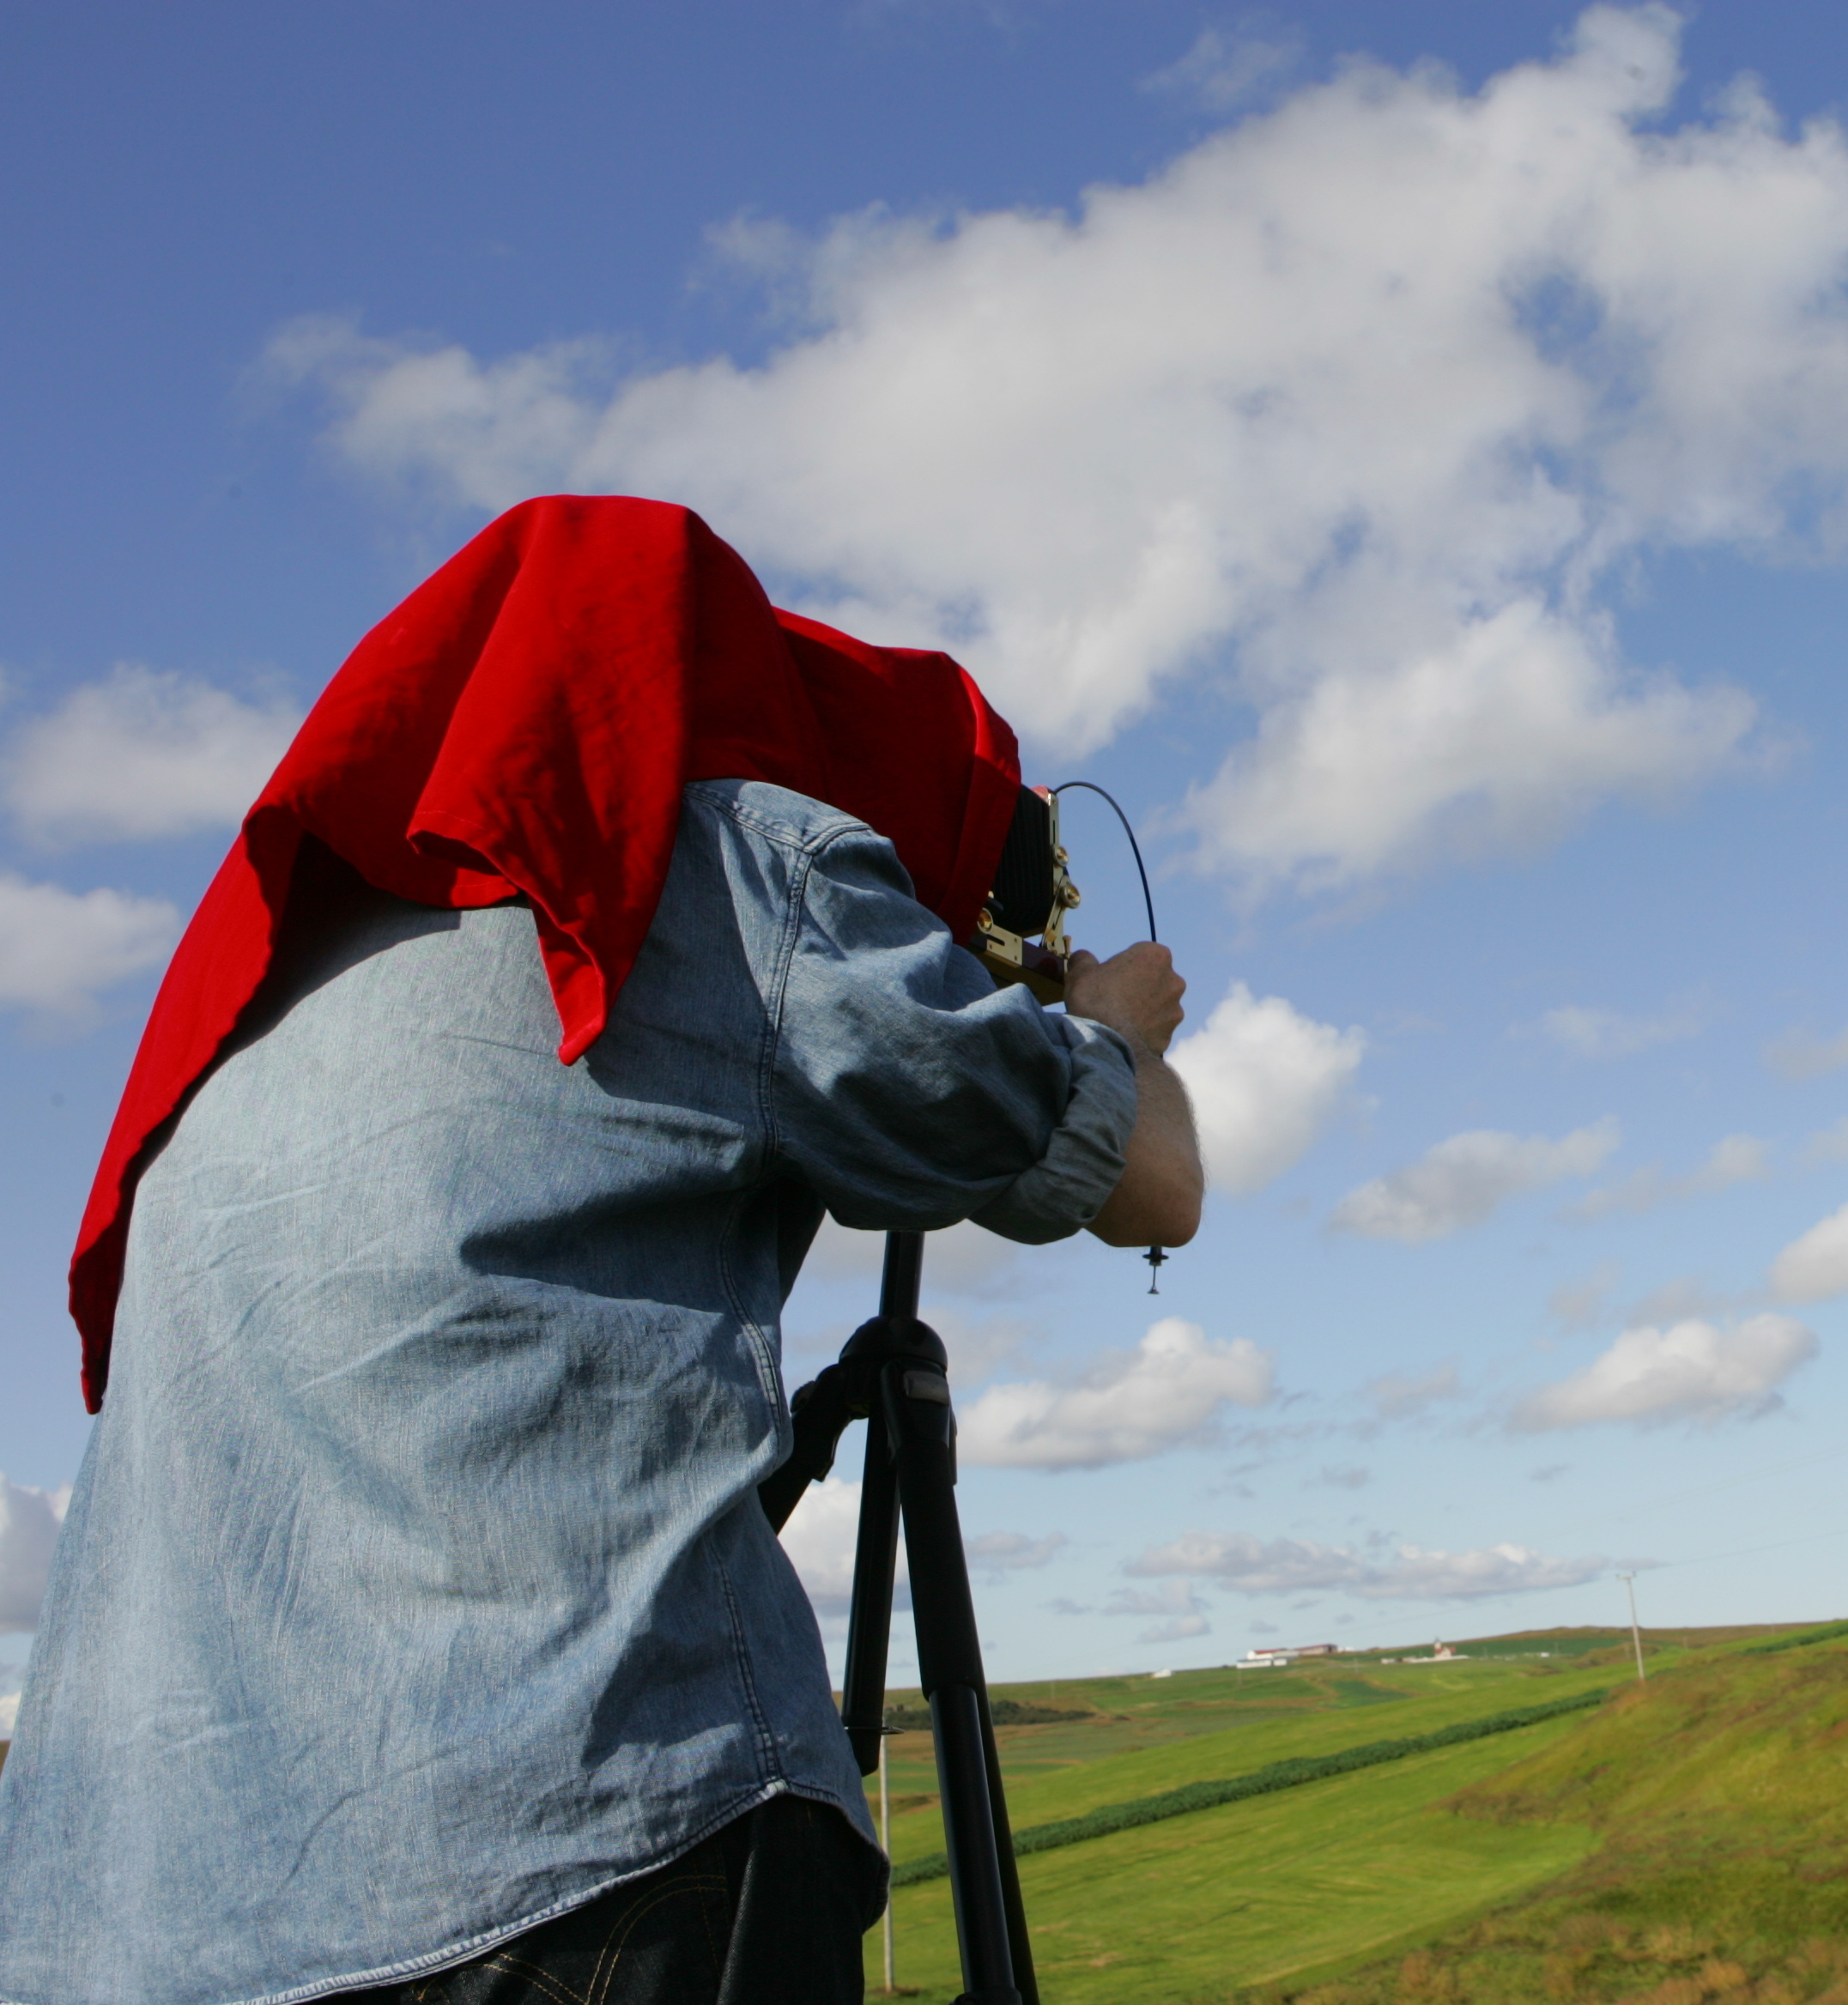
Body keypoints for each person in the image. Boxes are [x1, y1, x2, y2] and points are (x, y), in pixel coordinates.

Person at [0, 496, 1202, 2005]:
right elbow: (1150, 1184)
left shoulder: (273, 991)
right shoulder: (728, 862)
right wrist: (1107, 1030)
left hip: (137, 1927)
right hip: (572, 1864)